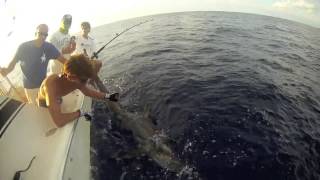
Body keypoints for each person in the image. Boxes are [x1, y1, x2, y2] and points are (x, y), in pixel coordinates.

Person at [37, 54, 119, 128]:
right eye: (84, 80)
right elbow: (59, 121)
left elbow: (88, 92)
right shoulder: (51, 85)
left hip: (57, 98)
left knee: (60, 100)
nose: (86, 82)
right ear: (71, 77)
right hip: (44, 104)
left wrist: (109, 96)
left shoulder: (76, 79)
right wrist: (81, 112)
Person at [0, 24, 66, 103]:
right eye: (40, 33)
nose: (43, 36)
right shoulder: (23, 47)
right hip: (30, 88)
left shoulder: (49, 47)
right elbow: (12, 64)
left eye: (45, 34)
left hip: (44, 85)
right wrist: (6, 71)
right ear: (35, 33)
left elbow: (64, 60)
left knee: (52, 105)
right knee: (36, 110)